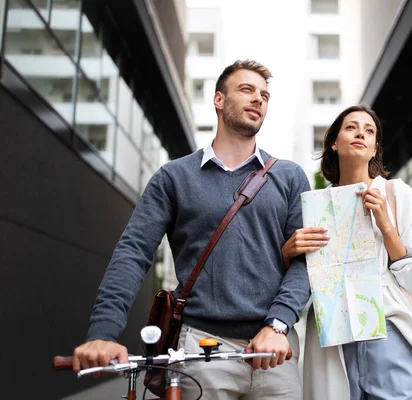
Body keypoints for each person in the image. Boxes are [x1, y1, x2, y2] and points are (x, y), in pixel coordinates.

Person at [72, 60, 311, 399]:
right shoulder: (174, 177)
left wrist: (278, 324)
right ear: (218, 99)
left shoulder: (289, 177)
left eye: (265, 95)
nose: (259, 99)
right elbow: (133, 252)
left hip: (274, 350)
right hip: (201, 349)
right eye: (246, 90)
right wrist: (103, 332)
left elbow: (307, 261)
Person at [283, 105, 412, 400]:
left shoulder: (397, 193)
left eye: (369, 130)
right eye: (351, 127)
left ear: (375, 149)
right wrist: (288, 253)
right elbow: (301, 283)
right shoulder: (315, 207)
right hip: (333, 331)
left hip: (388, 328)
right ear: (334, 143)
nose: (361, 132)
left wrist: (385, 224)